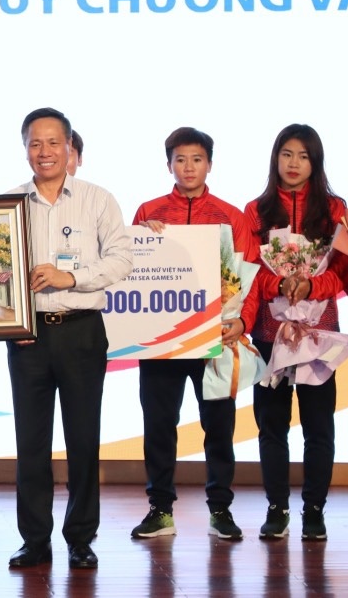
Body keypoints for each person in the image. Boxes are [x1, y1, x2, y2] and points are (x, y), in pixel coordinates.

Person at [6, 108, 132, 570]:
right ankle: (34, 540)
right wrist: (8, 322)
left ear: (69, 147)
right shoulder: (9, 203)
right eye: (35, 143)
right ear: (25, 149)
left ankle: (80, 538)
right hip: (28, 338)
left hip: (81, 332)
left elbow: (121, 260)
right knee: (31, 444)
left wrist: (71, 277)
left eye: (53, 142)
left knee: (83, 440)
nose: (45, 152)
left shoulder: (98, 199)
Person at [129, 127, 256, 542]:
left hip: (213, 340)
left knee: (218, 427)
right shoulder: (149, 211)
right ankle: (160, 510)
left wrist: (242, 322)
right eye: (180, 159)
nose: (188, 167)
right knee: (158, 426)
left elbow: (251, 279)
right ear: (169, 165)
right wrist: (141, 239)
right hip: (163, 341)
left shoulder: (231, 216)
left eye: (197, 159)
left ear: (210, 165)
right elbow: (129, 270)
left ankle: (220, 509)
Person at [242, 124, 345, 541]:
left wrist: (312, 285)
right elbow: (249, 270)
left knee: (319, 426)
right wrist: (279, 284)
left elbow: (343, 271)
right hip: (271, 332)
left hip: (319, 334)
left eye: (303, 156)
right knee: (272, 425)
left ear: (315, 162)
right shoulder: (256, 210)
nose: (294, 163)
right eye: (286, 154)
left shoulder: (335, 209)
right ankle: (277, 508)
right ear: (275, 158)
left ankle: (315, 511)